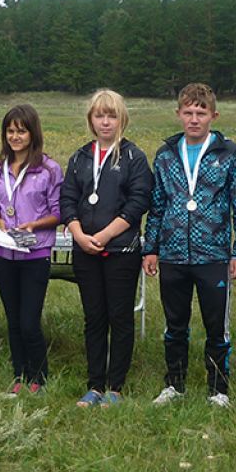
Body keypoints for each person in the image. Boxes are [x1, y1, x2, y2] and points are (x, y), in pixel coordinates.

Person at [142, 83, 236, 408]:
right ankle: (174, 384)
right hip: (173, 254)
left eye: (200, 113)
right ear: (178, 114)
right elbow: (157, 206)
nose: (194, 119)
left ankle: (218, 389)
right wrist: (151, 248)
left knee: (216, 326)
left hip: (214, 255)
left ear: (213, 116)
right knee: (174, 325)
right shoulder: (165, 155)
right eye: (188, 112)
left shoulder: (230, 155)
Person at [59, 89, 153, 408]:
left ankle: (116, 386)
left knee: (120, 317)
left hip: (121, 252)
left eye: (111, 115)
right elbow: (67, 200)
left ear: (121, 119)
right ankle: (95, 385)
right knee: (94, 317)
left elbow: (139, 201)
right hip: (85, 251)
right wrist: (79, 234)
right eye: (100, 115)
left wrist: (105, 234)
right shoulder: (80, 157)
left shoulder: (133, 157)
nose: (105, 122)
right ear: (91, 119)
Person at [0, 104, 63, 396]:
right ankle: (19, 374)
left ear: (33, 133)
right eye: (10, 131)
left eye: (21, 130)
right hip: (4, 253)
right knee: (13, 318)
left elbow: (59, 212)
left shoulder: (48, 169)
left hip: (36, 253)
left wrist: (34, 225)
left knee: (29, 320)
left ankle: (39, 376)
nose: (15, 136)